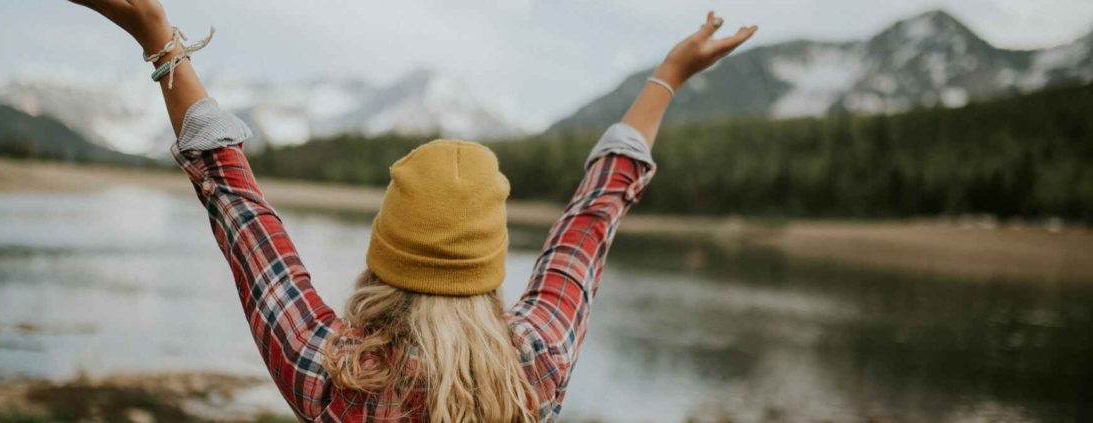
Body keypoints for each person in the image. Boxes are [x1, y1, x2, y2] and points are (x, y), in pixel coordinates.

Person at [70, 0, 756, 421]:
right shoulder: (534, 373)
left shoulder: (331, 378)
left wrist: (160, 40)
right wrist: (669, 76)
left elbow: (241, 209)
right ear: (486, 268)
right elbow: (591, 216)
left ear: (383, 256)